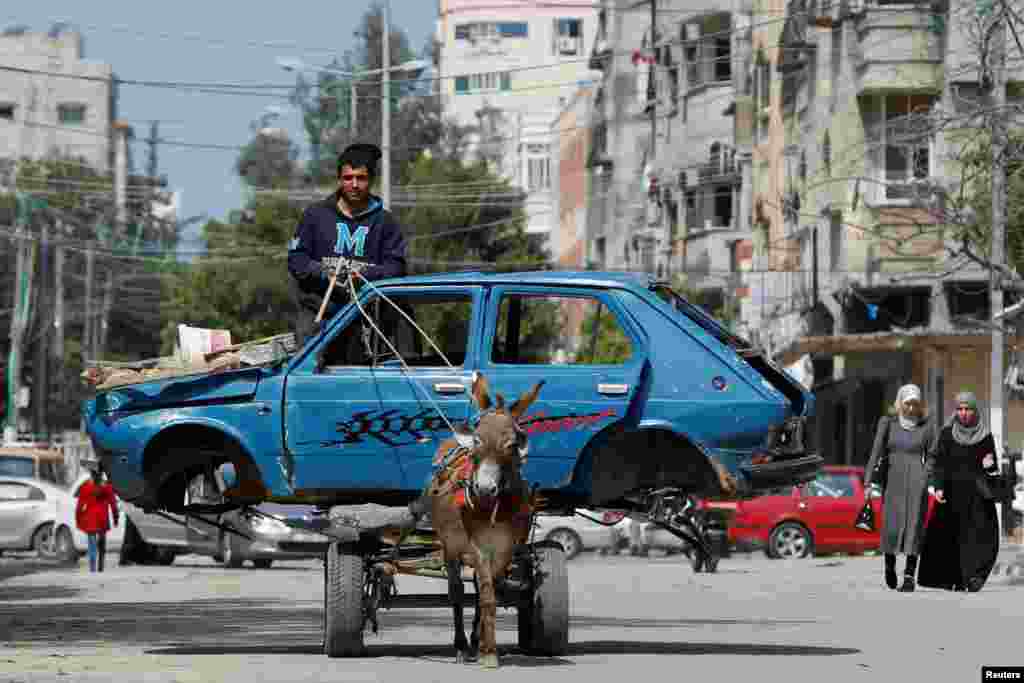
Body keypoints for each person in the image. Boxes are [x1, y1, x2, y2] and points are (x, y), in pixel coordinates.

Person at [287, 142, 408, 345]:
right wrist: (324, 272)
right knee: (307, 359)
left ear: (371, 180)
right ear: (339, 179)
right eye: (347, 178)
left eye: (360, 178)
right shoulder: (315, 215)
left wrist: (362, 276)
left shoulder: (386, 222)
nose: (354, 184)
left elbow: (396, 267)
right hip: (319, 315)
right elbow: (296, 260)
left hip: (368, 316)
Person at [917, 391, 1001, 592]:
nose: (963, 413)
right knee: (949, 539)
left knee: (980, 539)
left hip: (977, 498)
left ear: (974, 411)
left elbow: (992, 470)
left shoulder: (985, 436)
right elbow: (939, 464)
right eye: (960, 409)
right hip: (952, 495)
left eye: (968, 409)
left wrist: (989, 466)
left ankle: (973, 578)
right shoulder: (947, 434)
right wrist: (937, 487)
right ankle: (950, 579)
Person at [864, 383, 935, 592]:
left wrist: (926, 476)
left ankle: (909, 577)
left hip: (917, 482)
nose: (911, 408)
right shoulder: (888, 423)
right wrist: (868, 482)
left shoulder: (927, 426)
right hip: (892, 481)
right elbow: (875, 453)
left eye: (915, 404)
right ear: (900, 403)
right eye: (907, 404)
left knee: (914, 526)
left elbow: (933, 454)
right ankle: (889, 566)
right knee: (891, 526)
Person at [75, 468, 120, 573]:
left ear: (91, 475)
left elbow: (79, 507)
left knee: (92, 545)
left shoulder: (86, 487)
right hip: (103, 519)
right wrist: (115, 518)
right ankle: (101, 566)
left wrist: (78, 519)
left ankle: (92, 568)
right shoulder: (107, 488)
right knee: (102, 544)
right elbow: (113, 505)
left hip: (90, 519)